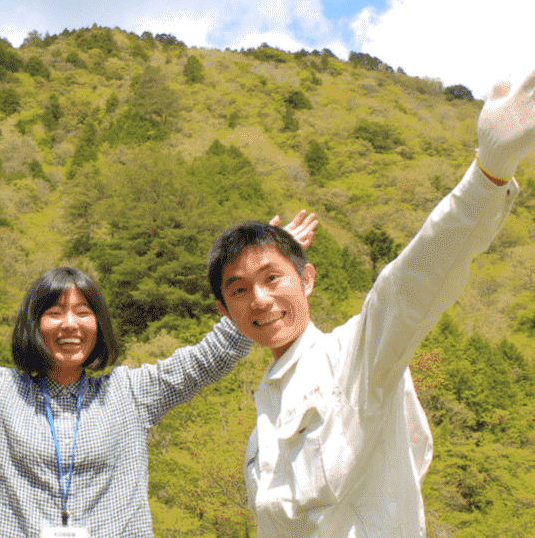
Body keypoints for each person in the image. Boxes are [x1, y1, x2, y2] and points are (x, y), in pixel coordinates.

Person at [206, 72, 535, 537]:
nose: (260, 299)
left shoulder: (354, 358)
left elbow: (409, 284)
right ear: (226, 311)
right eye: (239, 289)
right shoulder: (259, 436)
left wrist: (487, 177)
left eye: (273, 278)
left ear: (308, 279)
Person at [0, 212, 316, 538]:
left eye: (83, 312)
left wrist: (265, 274)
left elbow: (211, 356)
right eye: (54, 312)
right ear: (33, 324)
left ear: (99, 324)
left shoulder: (131, 393)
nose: (70, 324)